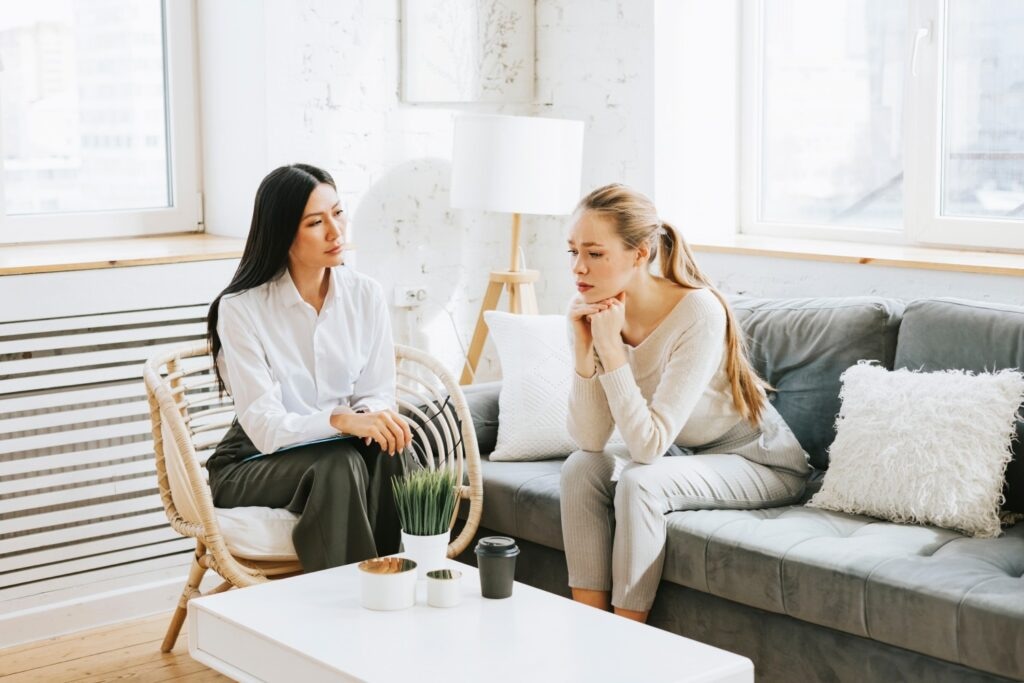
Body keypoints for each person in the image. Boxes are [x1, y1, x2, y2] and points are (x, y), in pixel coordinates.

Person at [561, 183, 810, 623]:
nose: (579, 267)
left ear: (640, 254)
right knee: (580, 467)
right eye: (574, 251)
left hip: (758, 460)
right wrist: (586, 355)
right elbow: (590, 439)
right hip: (684, 452)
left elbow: (647, 450)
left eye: (595, 253)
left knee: (642, 481)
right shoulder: (594, 311)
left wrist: (613, 354)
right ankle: (589, 629)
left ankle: (624, 644)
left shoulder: (699, 311)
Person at [205, 163, 412, 572]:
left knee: (390, 448)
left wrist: (368, 420)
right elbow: (264, 426)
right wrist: (340, 421)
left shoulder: (364, 294)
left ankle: (399, 583)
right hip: (251, 461)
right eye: (316, 222)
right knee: (340, 463)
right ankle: (349, 605)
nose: (336, 232)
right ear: (283, 233)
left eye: (338, 213)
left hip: (336, 449)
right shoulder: (241, 309)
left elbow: (377, 390)